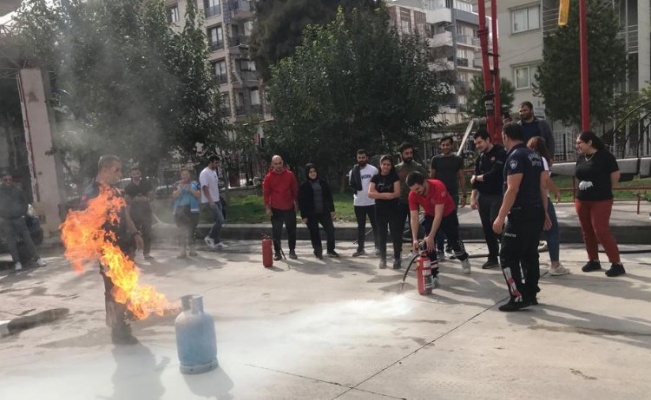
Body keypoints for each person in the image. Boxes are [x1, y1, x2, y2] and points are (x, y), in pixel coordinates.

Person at [79, 155, 144, 344]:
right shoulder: (91, 193)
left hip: (125, 246)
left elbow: (124, 213)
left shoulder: (115, 191)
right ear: (105, 170)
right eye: (117, 170)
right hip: (108, 251)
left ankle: (121, 316)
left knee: (126, 285)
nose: (120, 174)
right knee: (113, 289)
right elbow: (86, 225)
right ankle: (118, 331)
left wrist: (135, 234)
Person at [492, 123, 551, 312]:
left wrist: (500, 217)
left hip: (521, 213)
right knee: (529, 253)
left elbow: (513, 188)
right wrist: (545, 212)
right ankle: (531, 293)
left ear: (505, 136)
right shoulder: (535, 155)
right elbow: (543, 186)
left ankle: (517, 297)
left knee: (507, 255)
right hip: (535, 211)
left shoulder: (516, 156)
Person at [407, 172, 472, 286]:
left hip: (447, 214)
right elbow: (414, 217)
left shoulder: (438, 186)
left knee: (454, 241)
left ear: (424, 182)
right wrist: (415, 239)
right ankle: (434, 274)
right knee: (428, 245)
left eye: (418, 188)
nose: (416, 192)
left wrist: (431, 236)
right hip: (430, 215)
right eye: (413, 190)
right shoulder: (413, 194)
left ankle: (463, 258)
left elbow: (439, 215)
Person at [574, 131, 625, 277]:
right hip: (582, 199)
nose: (577, 146)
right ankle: (593, 260)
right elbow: (579, 173)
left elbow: (615, 176)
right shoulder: (581, 157)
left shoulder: (605, 157)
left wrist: (601, 186)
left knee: (601, 230)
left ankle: (617, 263)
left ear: (590, 142)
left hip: (601, 199)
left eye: (579, 143)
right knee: (587, 231)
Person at [527, 136, 570, 276]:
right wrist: (554, 192)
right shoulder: (542, 160)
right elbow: (544, 180)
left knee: (532, 234)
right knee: (552, 231)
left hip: (529, 200)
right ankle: (555, 264)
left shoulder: (526, 160)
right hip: (542, 198)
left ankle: (529, 265)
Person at [470, 129, 507, 269]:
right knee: (486, 228)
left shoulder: (500, 152)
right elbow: (474, 181)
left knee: (496, 224)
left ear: (487, 140)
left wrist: (478, 178)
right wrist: (473, 198)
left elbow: (495, 173)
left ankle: (507, 254)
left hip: (498, 195)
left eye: (479, 142)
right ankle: (493, 257)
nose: (478, 145)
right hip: (483, 197)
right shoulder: (480, 158)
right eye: (476, 143)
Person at [0, 171, 47, 271]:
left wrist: (22, 213)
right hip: (7, 221)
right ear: (2, 181)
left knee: (28, 239)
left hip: (18, 219)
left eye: (10, 179)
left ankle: (37, 258)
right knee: (11, 243)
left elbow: (25, 202)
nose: (8, 181)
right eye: (6, 180)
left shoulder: (17, 190)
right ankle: (17, 262)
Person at [430, 136, 466, 260]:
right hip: (438, 195)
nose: (445, 147)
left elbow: (461, 177)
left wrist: (464, 194)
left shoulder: (457, 159)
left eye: (447, 145)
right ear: (440, 146)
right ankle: (439, 249)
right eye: (443, 145)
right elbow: (432, 177)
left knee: (451, 222)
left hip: (453, 194)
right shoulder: (435, 159)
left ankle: (450, 247)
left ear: (452, 145)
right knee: (438, 221)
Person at [298, 163, 338, 259]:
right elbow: (301, 202)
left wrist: (332, 210)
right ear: (307, 173)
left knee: (330, 230)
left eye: (314, 171)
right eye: (310, 172)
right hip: (311, 214)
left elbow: (329, 197)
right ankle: (318, 251)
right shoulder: (304, 185)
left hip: (324, 212)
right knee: (314, 232)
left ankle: (330, 250)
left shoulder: (323, 182)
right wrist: (303, 216)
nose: (313, 173)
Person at [368, 155, 402, 269]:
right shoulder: (375, 178)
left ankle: (397, 258)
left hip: (393, 210)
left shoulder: (394, 177)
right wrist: (385, 195)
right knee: (381, 235)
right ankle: (383, 258)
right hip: (380, 210)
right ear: (380, 165)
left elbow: (397, 193)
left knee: (395, 234)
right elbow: (370, 193)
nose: (386, 167)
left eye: (388, 164)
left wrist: (379, 195)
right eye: (384, 164)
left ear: (391, 166)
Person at [263, 155, 299, 260]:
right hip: (276, 208)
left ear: (282, 163)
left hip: (289, 207)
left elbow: (295, 190)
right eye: (276, 164)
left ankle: (292, 251)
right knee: (276, 231)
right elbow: (266, 193)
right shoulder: (268, 177)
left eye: (280, 163)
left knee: (291, 231)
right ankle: (277, 252)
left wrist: (296, 203)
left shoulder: (290, 175)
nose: (278, 166)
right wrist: (267, 208)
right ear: (272, 164)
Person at [395, 142, 428, 240]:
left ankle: (415, 248)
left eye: (411, 153)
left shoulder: (418, 167)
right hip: (400, 202)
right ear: (401, 154)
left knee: (414, 227)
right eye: (406, 153)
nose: (409, 155)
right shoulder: (397, 168)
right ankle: (398, 251)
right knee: (398, 227)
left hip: (414, 202)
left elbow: (427, 182)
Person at [349, 149, 378, 257]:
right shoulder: (353, 171)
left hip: (372, 202)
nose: (361, 159)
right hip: (359, 203)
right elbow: (352, 186)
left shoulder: (373, 170)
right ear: (357, 158)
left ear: (367, 158)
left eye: (363, 157)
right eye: (359, 158)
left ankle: (378, 247)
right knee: (360, 226)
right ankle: (360, 249)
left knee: (376, 225)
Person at [124, 166, 154, 260]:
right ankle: (132, 253)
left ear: (140, 174)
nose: (135, 175)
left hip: (146, 211)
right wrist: (134, 200)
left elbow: (152, 195)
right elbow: (126, 200)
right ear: (130, 175)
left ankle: (146, 253)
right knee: (134, 233)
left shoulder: (146, 184)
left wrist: (147, 199)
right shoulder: (128, 187)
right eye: (133, 174)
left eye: (137, 173)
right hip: (134, 212)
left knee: (147, 233)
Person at [171, 169, 201, 259]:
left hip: (192, 210)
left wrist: (190, 189)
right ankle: (182, 252)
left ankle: (192, 250)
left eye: (186, 174)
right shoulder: (177, 184)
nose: (184, 176)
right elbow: (174, 196)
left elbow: (198, 195)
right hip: (180, 209)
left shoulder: (195, 184)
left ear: (189, 175)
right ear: (181, 176)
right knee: (181, 231)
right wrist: (180, 188)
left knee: (191, 230)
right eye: (183, 174)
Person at [200, 155, 226, 250]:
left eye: (218, 163)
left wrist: (218, 198)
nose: (217, 165)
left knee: (217, 221)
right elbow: (204, 187)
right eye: (216, 163)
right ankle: (209, 237)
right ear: (210, 162)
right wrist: (210, 200)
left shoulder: (214, 172)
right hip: (209, 201)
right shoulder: (204, 173)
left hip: (217, 199)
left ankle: (217, 242)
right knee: (220, 220)